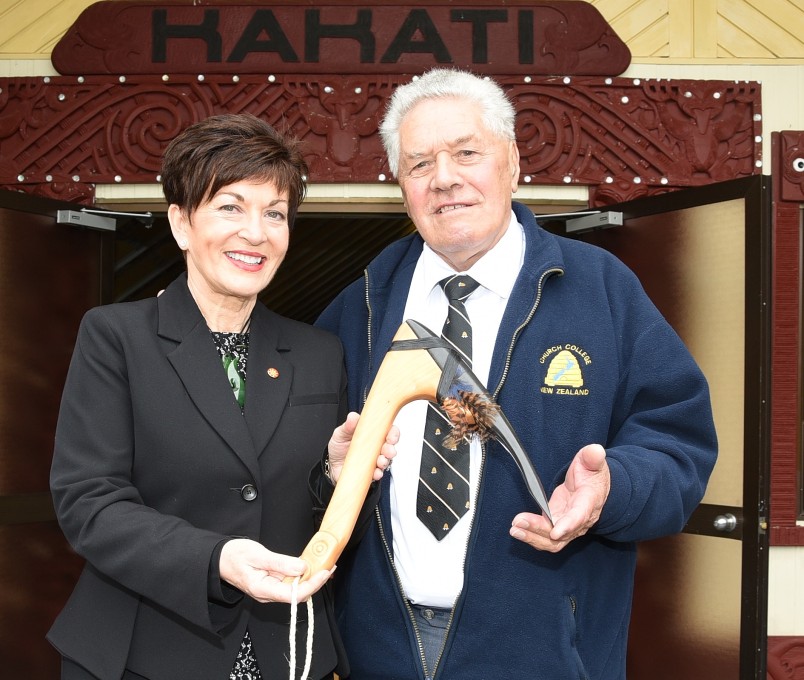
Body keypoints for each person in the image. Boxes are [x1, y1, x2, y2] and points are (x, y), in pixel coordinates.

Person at [316, 68, 718, 680]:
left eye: (467, 153)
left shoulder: (602, 290)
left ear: (511, 161)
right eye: (419, 164)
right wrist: (329, 473)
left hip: (543, 655)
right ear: (401, 184)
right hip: (379, 651)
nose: (444, 178)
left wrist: (613, 490)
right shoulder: (360, 306)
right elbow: (291, 472)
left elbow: (679, 446)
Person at [47, 113, 396, 680]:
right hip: (145, 650)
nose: (255, 232)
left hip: (288, 652)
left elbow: (325, 525)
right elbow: (89, 502)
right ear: (181, 223)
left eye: (275, 214)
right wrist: (217, 559)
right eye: (230, 207)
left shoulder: (317, 352)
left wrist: (336, 475)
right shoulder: (116, 336)